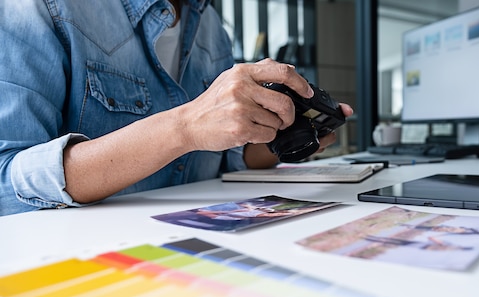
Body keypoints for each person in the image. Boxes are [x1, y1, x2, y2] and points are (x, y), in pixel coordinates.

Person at [0, 0, 353, 216]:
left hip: (202, 245)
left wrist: (281, 138)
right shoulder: (39, 7)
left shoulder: (212, 27)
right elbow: (10, 180)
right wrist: (184, 127)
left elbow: (223, 159)